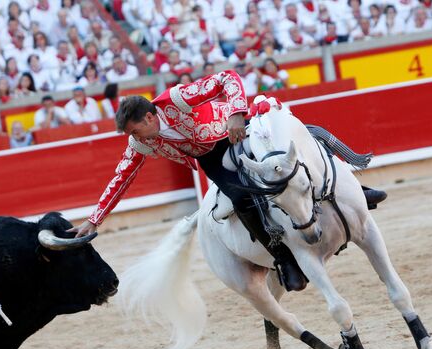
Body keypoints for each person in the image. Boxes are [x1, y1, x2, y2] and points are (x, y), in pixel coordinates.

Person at [70, 70, 387, 292]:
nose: (133, 139)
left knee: (298, 147)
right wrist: (95, 220)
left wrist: (236, 114)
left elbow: (227, 78)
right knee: (241, 197)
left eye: (134, 130)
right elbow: (120, 178)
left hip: (237, 131)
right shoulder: (141, 142)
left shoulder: (176, 98)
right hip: (212, 157)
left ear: (149, 117)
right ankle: (284, 259)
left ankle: (356, 192)